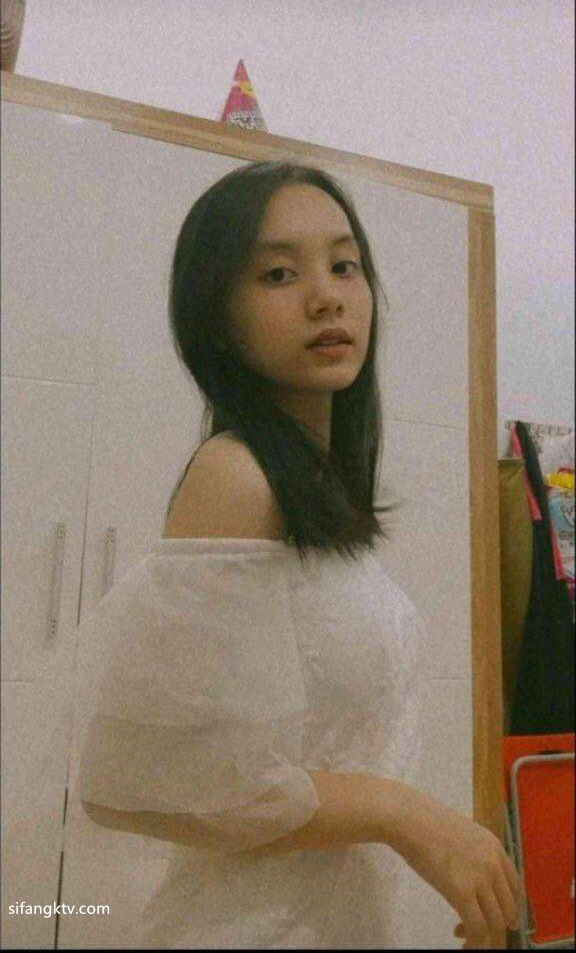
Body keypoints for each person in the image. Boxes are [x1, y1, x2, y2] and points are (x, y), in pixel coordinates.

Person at [76, 161, 523, 949]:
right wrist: (404, 813)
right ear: (217, 315)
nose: (327, 296)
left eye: (344, 265)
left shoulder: (314, 488)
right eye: (279, 273)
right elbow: (140, 778)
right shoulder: (236, 474)